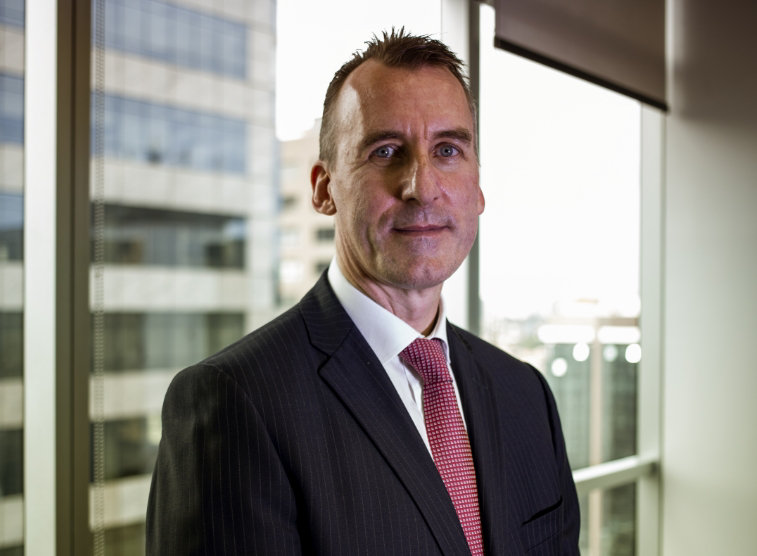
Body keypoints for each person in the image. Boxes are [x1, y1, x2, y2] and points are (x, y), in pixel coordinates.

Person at [147, 29, 580, 555]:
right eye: (386, 151)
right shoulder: (235, 401)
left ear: (478, 186)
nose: (421, 185)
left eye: (448, 150)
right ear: (324, 188)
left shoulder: (524, 394)